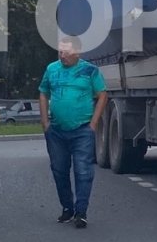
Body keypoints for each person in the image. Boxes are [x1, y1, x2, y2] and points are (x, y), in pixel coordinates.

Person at [39, 34, 108, 229]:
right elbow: (43, 92)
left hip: (82, 129)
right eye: (60, 51)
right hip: (57, 131)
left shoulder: (89, 71)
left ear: (77, 52)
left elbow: (102, 95)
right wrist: (45, 122)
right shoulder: (52, 69)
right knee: (59, 170)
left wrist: (94, 122)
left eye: (67, 52)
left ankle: (81, 212)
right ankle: (67, 208)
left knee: (83, 170)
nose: (62, 55)